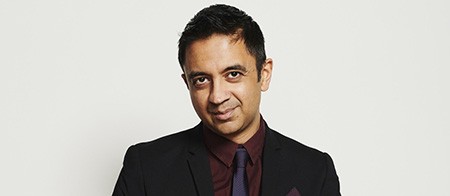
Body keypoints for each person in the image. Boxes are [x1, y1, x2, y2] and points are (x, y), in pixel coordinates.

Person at [113, 4, 340, 196]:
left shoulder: (315, 170)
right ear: (187, 84)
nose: (217, 96)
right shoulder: (146, 167)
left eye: (233, 74)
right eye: (201, 79)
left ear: (264, 74)